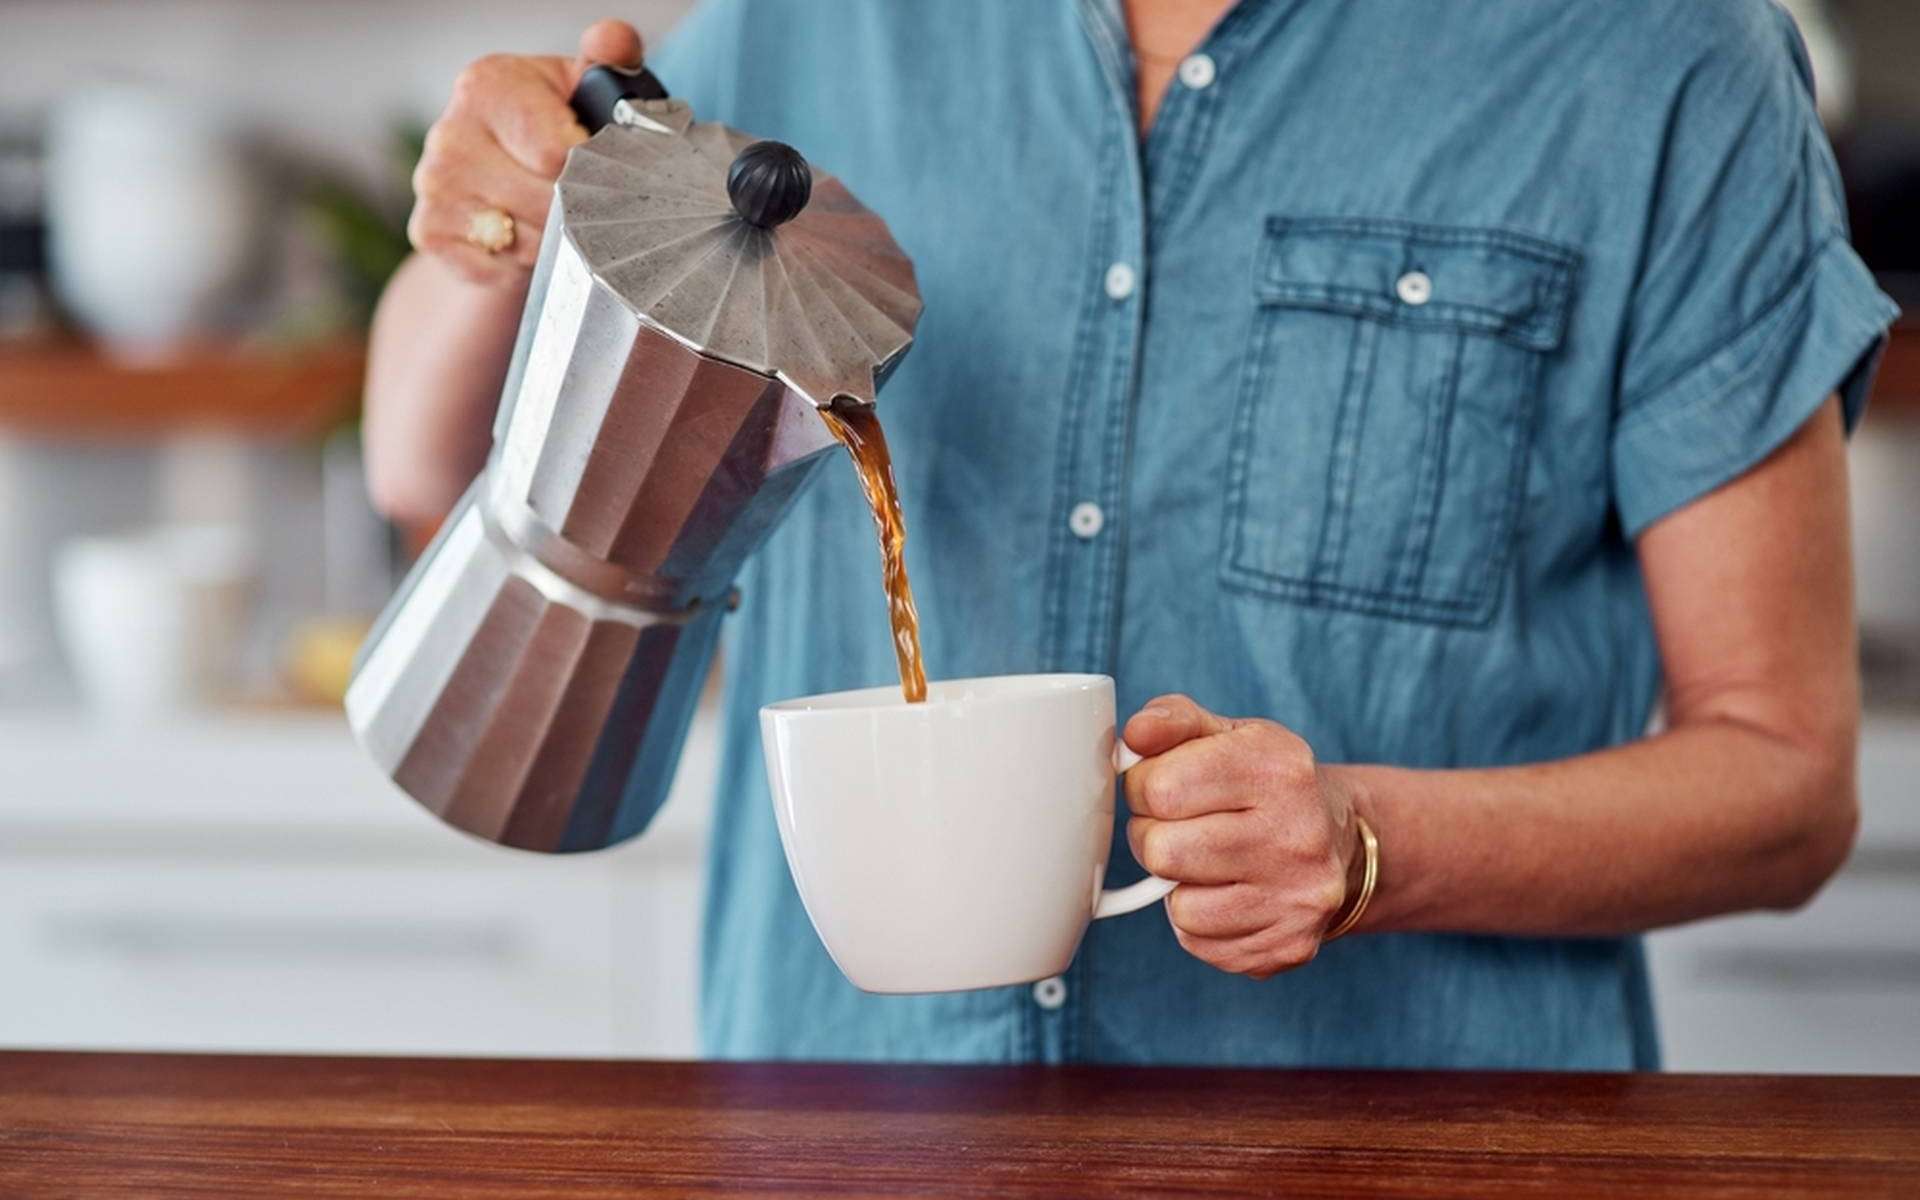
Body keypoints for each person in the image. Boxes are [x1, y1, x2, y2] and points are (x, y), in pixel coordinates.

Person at [364, 1, 1900, 1068]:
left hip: (1418, 1138)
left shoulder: (1664, 64)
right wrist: (483, 238)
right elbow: (421, 463)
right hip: (845, 1127)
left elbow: (1783, 781)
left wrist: (1371, 845)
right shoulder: (801, 25)